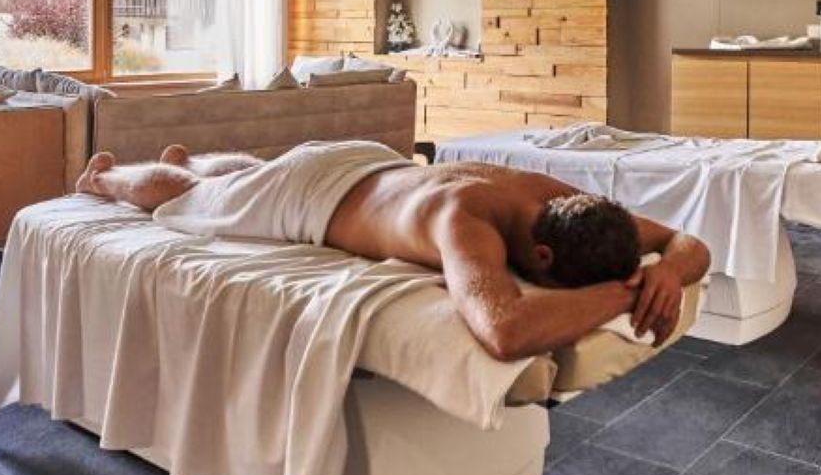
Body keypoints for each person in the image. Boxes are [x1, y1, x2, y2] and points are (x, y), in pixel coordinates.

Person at [75, 140, 711, 361]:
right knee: (191, 196)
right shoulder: (465, 221)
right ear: (542, 257)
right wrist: (624, 294)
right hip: (314, 197)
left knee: (251, 175)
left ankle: (193, 159)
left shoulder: (559, 199)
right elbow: (505, 330)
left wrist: (671, 271)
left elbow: (687, 241)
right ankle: (103, 179)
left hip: (365, 163)